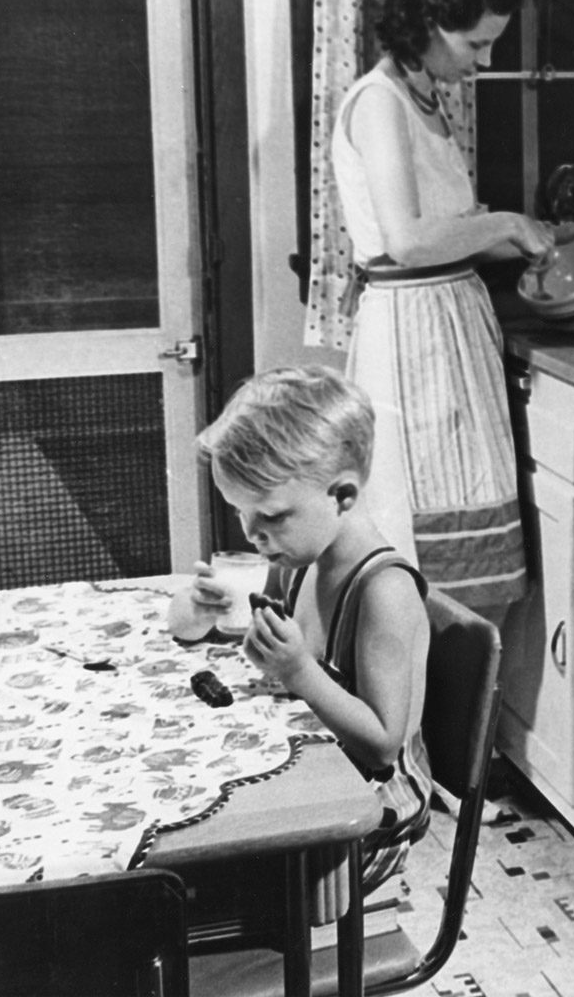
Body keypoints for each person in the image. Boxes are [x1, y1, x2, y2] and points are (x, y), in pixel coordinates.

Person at [332, 0, 561, 629]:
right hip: (413, 343)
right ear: (428, 24)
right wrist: (505, 226)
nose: (486, 61)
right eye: (475, 45)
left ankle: (447, 730)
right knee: (419, 566)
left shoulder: (423, 97)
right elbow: (405, 241)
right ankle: (406, 735)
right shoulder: (379, 103)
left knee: (462, 585)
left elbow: (441, 233)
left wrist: (518, 236)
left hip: (448, 331)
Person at [185, 365, 432, 893]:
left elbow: (383, 747)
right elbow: (251, 642)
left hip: (370, 819)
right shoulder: (299, 554)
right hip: (316, 785)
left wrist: (298, 670)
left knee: (199, 882)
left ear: (342, 496)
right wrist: (211, 610)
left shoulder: (383, 590)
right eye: (239, 513)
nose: (252, 534)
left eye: (269, 515)